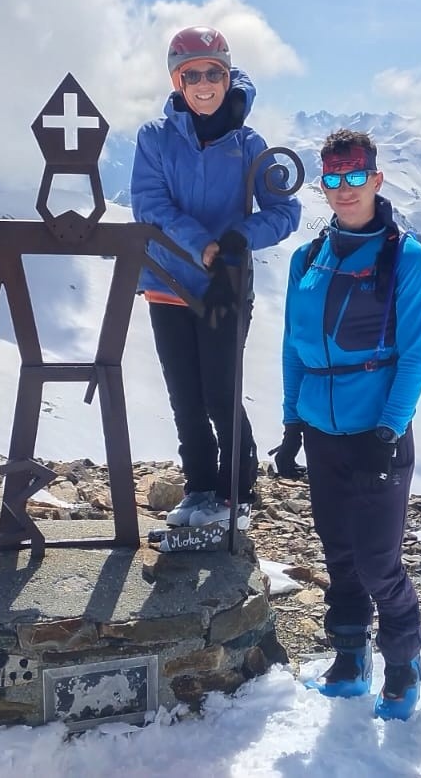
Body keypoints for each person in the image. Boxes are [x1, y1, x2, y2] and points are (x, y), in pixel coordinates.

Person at [280, 128, 421, 721]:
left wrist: (388, 432)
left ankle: (403, 661)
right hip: (322, 430)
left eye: (355, 176)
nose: (345, 189)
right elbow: (294, 347)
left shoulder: (406, 258)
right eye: (334, 179)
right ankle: (350, 660)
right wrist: (293, 423)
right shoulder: (307, 257)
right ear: (323, 184)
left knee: (378, 561)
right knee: (339, 553)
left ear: (376, 178)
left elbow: (416, 356)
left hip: (378, 435)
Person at [131, 26, 301, 532]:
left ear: (228, 77)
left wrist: (237, 240)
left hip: (226, 285)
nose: (204, 84)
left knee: (219, 393)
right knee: (185, 393)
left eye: (214, 73)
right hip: (167, 280)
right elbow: (150, 205)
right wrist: (201, 242)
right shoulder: (153, 139)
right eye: (192, 74)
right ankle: (200, 488)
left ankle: (237, 493)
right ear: (176, 80)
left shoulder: (249, 145)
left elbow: (285, 211)